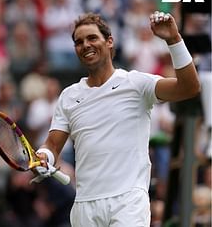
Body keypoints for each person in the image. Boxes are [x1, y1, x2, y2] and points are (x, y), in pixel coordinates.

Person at [35, 12, 200, 226]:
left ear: (109, 42)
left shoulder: (136, 83)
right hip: (85, 206)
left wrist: (173, 39)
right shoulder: (68, 96)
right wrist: (44, 156)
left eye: (92, 38)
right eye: (79, 42)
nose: (85, 45)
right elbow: (52, 145)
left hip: (128, 202)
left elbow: (189, 87)